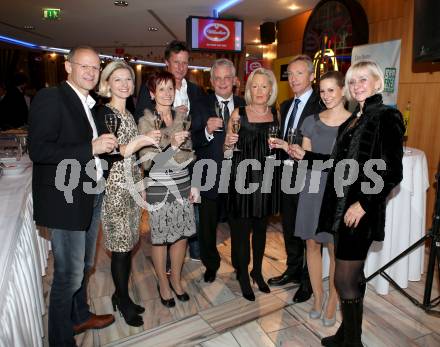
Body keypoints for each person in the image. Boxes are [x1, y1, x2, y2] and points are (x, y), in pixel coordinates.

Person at [290, 61, 404, 346]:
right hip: (341, 210)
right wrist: (307, 157)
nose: (357, 86)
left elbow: (392, 172)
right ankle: (347, 334)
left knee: (344, 279)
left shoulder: (386, 116)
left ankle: (353, 342)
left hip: (359, 213)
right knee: (352, 278)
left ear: (378, 82)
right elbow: (337, 163)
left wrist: (363, 205)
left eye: (363, 80)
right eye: (353, 82)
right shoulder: (356, 118)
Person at [28, 46, 117, 346]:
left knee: (84, 267)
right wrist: (90, 148)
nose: (91, 72)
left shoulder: (89, 104)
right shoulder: (51, 98)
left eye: (96, 67)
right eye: (85, 66)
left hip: (90, 196)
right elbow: (39, 150)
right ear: (68, 67)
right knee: (68, 276)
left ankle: (80, 316)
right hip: (65, 201)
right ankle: (60, 340)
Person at [273, 71, 350, 326]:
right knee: (311, 245)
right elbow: (306, 158)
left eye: (331, 90)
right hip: (311, 187)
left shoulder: (354, 124)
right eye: (323, 91)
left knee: (334, 248)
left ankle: (332, 301)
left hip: (337, 191)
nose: (326, 95)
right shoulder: (310, 122)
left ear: (343, 91)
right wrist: (289, 149)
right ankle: (318, 297)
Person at [95, 61, 159, 327]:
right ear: (107, 83)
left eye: (129, 80)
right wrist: (145, 140)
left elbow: (134, 156)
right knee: (120, 249)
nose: (124, 84)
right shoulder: (105, 113)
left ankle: (121, 294)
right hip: (114, 189)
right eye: (118, 79)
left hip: (132, 186)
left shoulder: (129, 114)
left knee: (130, 244)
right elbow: (115, 150)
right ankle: (122, 301)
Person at [135, 40, 204, 262]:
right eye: (176, 62)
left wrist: (185, 121)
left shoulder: (195, 90)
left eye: (185, 63)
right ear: (167, 63)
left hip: (185, 166)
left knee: (184, 226)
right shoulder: (152, 90)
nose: (181, 67)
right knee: (161, 231)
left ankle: (183, 264)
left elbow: (199, 123)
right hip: (159, 172)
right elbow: (144, 134)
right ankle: (164, 272)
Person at [138, 71, 197, 307]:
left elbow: (191, 153)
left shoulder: (182, 116)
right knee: (161, 238)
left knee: (181, 235)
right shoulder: (146, 121)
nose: (167, 93)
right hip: (159, 184)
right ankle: (163, 282)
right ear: (152, 94)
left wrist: (194, 183)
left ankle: (177, 278)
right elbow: (148, 163)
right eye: (161, 89)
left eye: (170, 88)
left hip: (183, 181)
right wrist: (172, 146)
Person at [267, 55, 323, 305]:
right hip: (287, 173)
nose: (294, 78)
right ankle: (292, 268)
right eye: (290, 74)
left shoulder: (321, 104)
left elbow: (321, 141)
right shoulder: (286, 104)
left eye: (299, 73)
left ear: (311, 76)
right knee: (289, 225)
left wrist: (295, 147)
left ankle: (307, 281)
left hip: (309, 174)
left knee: (307, 231)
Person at [224, 68, 280, 301]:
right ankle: (243, 275)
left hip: (266, 180)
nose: (259, 91)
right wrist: (227, 143)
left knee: (260, 231)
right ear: (248, 90)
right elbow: (227, 153)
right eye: (254, 86)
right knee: (240, 232)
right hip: (241, 181)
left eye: (264, 86)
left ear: (270, 90)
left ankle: (257, 271)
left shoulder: (276, 115)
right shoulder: (239, 113)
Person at [191, 58, 246, 283]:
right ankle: (211, 265)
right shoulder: (200, 104)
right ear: (211, 81)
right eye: (218, 78)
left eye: (227, 77)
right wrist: (206, 130)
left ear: (234, 80)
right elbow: (192, 140)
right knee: (207, 226)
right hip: (209, 175)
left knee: (240, 226)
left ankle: (241, 267)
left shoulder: (245, 103)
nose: (223, 82)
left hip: (239, 176)